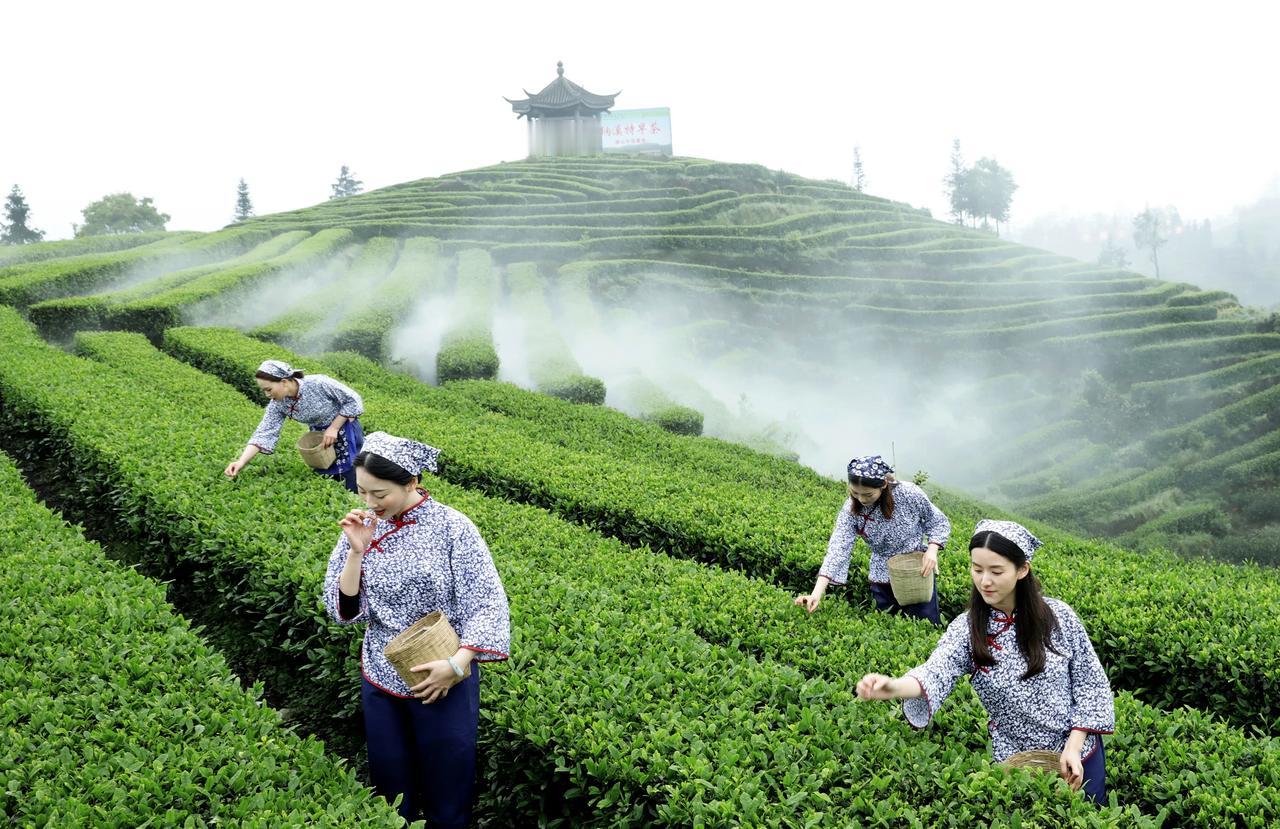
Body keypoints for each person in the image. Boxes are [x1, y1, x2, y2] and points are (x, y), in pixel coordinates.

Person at [854, 520, 1115, 805]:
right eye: (977, 569)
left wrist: (1074, 746)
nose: (984, 581)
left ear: (1022, 570)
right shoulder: (968, 629)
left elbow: (1090, 682)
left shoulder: (1059, 616)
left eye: (996, 571)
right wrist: (891, 687)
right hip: (1016, 760)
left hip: (1078, 753)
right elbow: (935, 672)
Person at [323, 431, 510, 827]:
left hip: (445, 675)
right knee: (391, 787)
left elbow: (486, 600)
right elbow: (344, 611)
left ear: (411, 482)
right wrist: (356, 552)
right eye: (362, 492)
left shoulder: (453, 527)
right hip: (382, 672)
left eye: (380, 494)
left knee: (448, 786)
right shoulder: (364, 526)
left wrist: (457, 666)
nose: (370, 503)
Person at [796, 455, 951, 624]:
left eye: (868, 494)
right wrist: (816, 593)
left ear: (884, 485)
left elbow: (937, 521)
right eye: (855, 493)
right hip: (881, 576)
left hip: (916, 571)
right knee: (886, 626)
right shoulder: (850, 509)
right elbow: (838, 547)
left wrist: (932, 550)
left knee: (923, 626)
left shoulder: (908, 493)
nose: (861, 499)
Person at [223, 359, 366, 493]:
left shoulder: (318, 383)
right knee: (327, 474)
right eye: (264, 391)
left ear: (284, 382)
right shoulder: (278, 404)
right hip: (318, 435)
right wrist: (241, 462)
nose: (267, 395)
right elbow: (264, 432)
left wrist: (334, 428)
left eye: (269, 389)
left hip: (345, 428)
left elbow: (353, 400)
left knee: (352, 475)